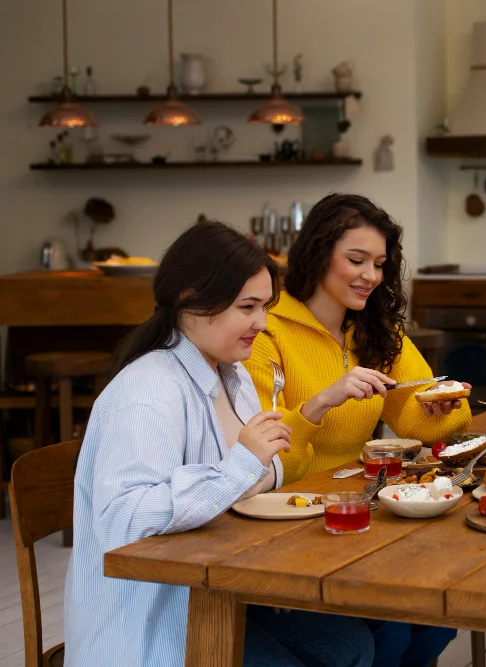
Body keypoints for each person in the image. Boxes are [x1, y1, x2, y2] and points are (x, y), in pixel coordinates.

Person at [65, 221, 374, 667]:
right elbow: (124, 520)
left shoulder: (231, 373)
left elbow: (243, 473)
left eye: (264, 307)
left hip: (215, 590)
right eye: (247, 307)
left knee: (351, 645)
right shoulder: (148, 390)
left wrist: (262, 461)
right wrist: (242, 465)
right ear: (191, 299)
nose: (261, 323)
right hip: (155, 621)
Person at [245, 193, 465, 667]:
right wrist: (321, 403)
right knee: (390, 629)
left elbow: (419, 421)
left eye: (380, 264)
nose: (371, 275)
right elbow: (266, 456)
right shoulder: (266, 332)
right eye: (356, 259)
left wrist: (444, 405)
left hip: (359, 510)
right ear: (318, 254)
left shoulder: (375, 330)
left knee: (438, 618)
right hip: (289, 519)